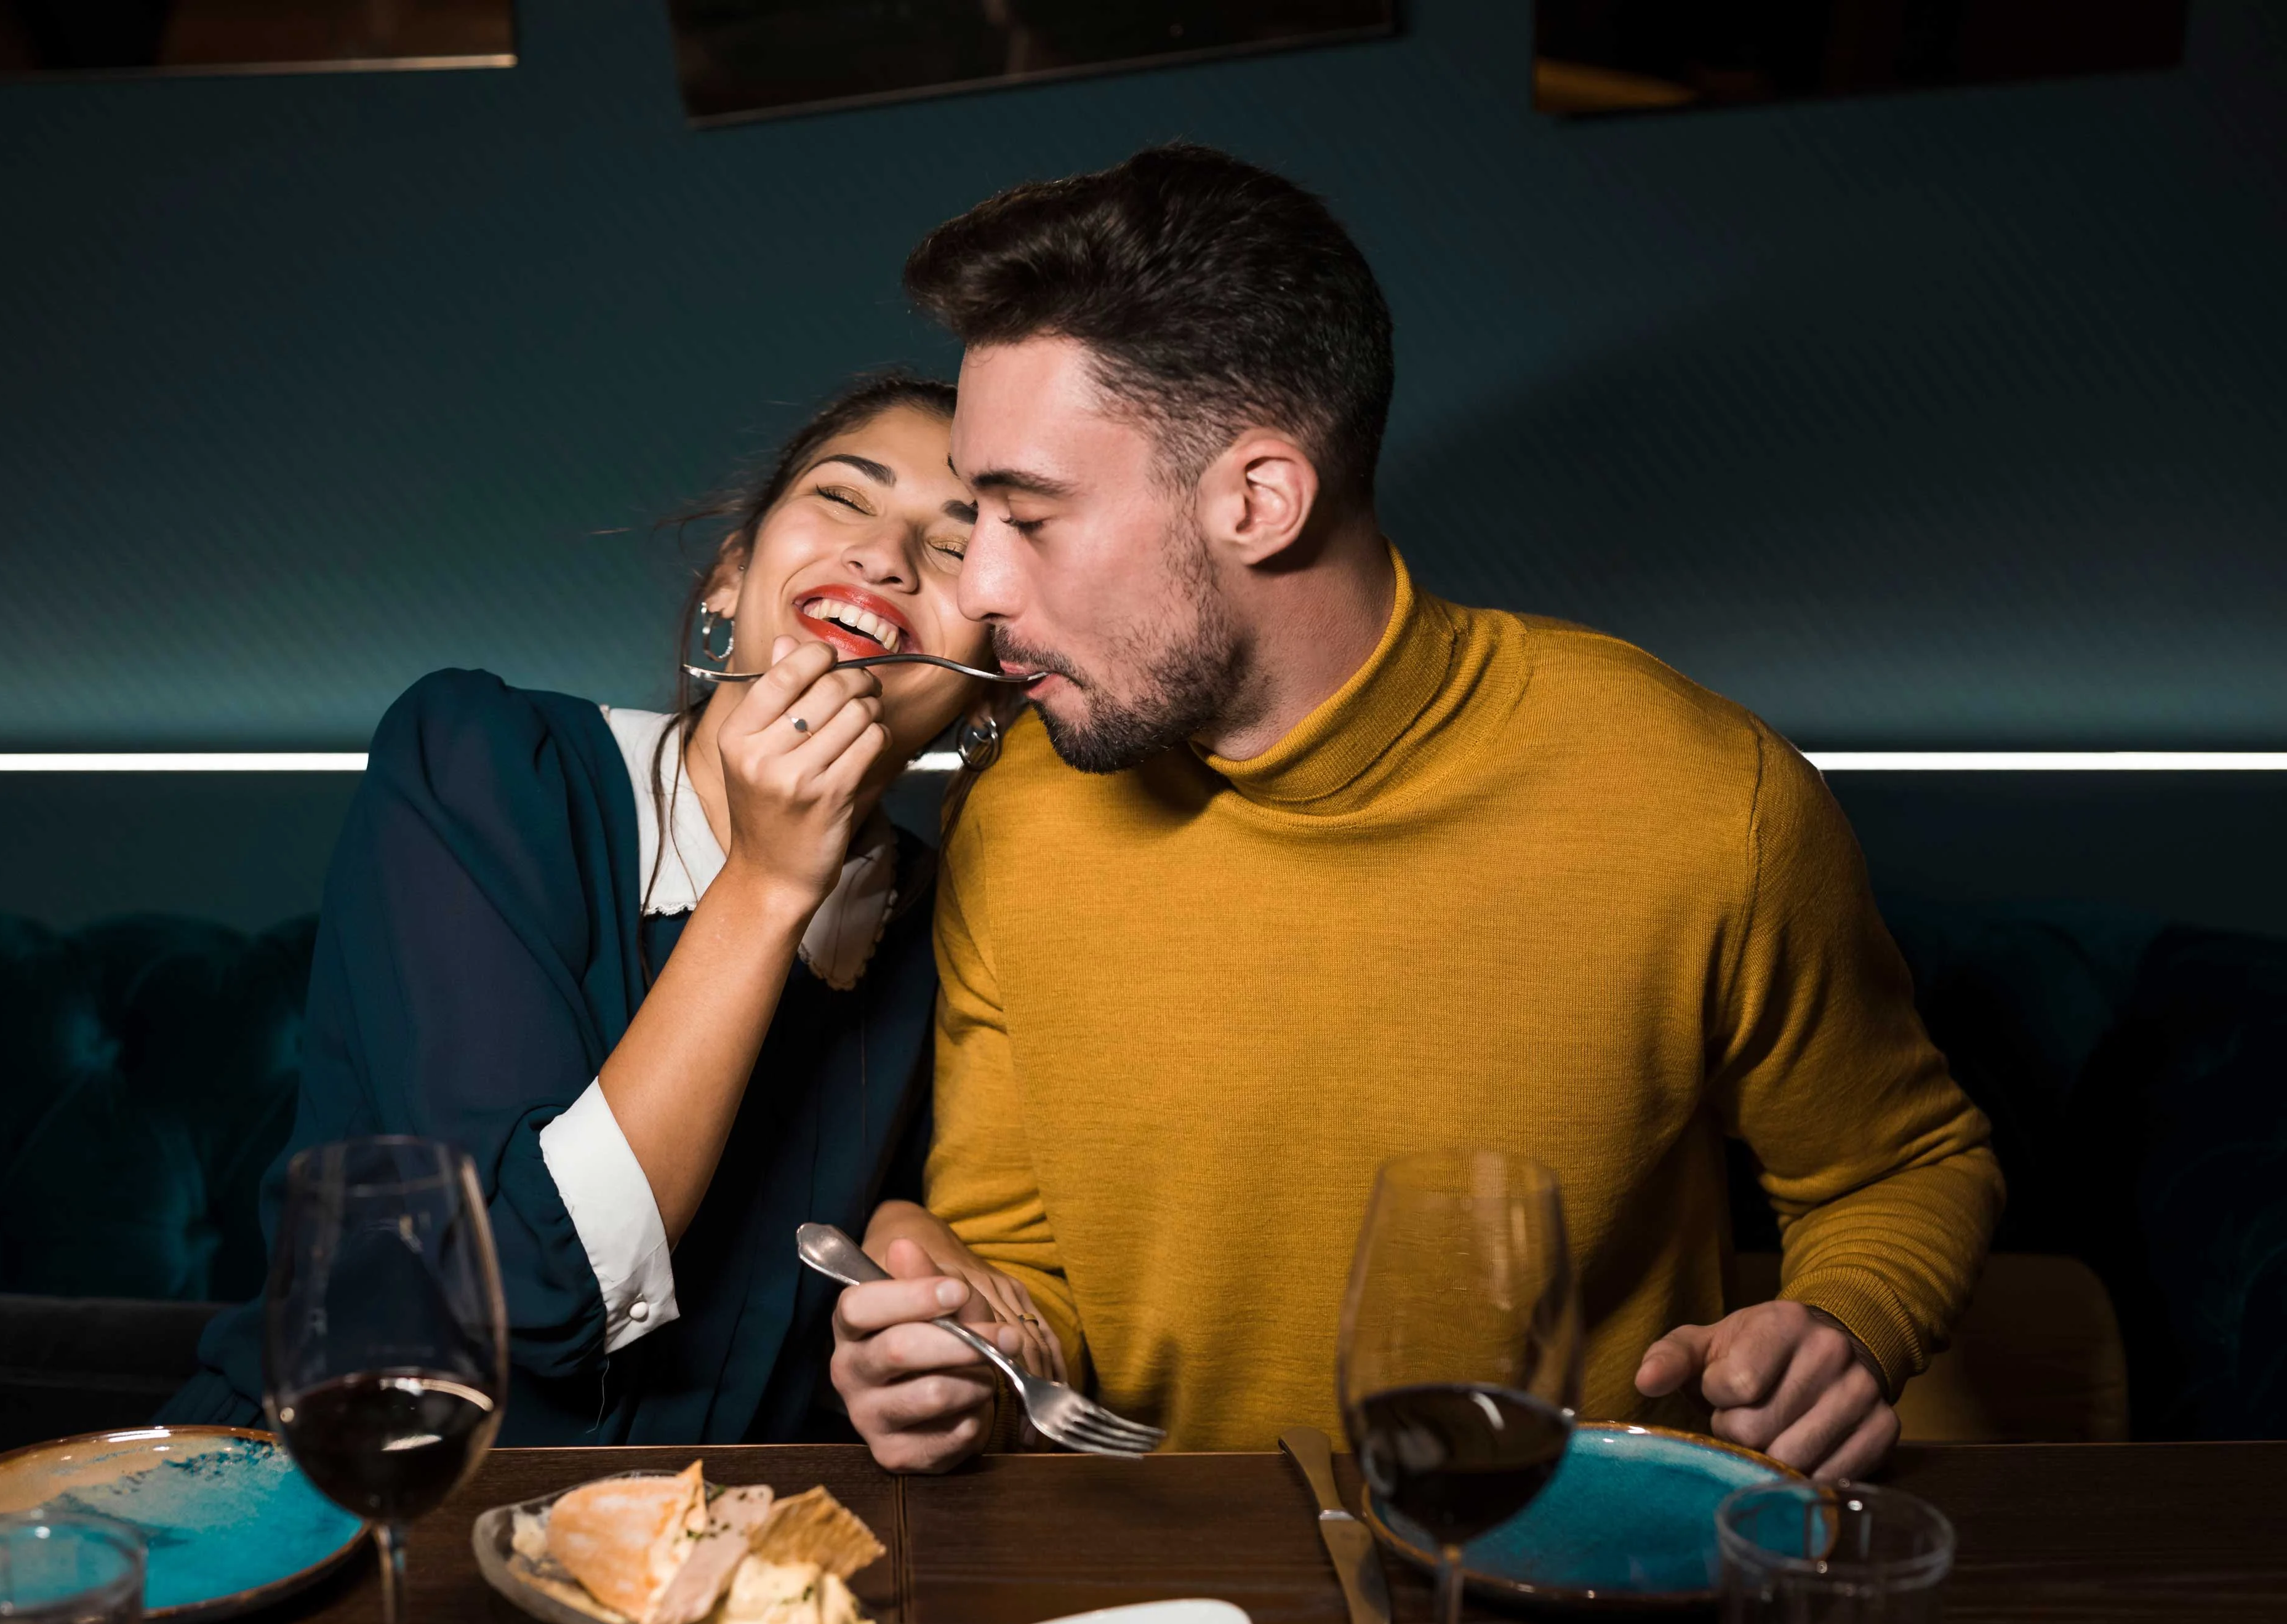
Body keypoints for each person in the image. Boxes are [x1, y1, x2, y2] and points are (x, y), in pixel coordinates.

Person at [830, 148, 2006, 1480]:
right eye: (973, 512)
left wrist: (1850, 1321)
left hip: (1578, 1572)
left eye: (1026, 516)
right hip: (1177, 1585)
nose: (978, 583)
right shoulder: (1020, 808)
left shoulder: (1700, 800)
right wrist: (960, 1352)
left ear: (1258, 500)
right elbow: (1024, 1269)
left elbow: (1899, 1166)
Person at [166, 376, 1052, 1444]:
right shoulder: (480, 764)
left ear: (989, 686)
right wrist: (767, 885)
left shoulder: (952, 923)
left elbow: (855, 1323)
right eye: (843, 497)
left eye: (954, 546)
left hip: (700, 1567)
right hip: (333, 1507)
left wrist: (914, 1263)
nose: (883, 556)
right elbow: (528, 1290)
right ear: (731, 577)